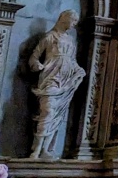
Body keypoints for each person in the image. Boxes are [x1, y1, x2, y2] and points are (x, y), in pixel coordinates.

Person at [28, 10, 86, 160]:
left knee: (57, 115)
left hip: (66, 80)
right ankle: (36, 149)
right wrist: (37, 65)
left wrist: (79, 71)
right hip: (50, 78)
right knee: (47, 111)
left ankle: (46, 149)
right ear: (64, 19)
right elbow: (34, 57)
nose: (74, 25)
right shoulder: (50, 37)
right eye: (72, 21)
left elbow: (72, 61)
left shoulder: (70, 41)